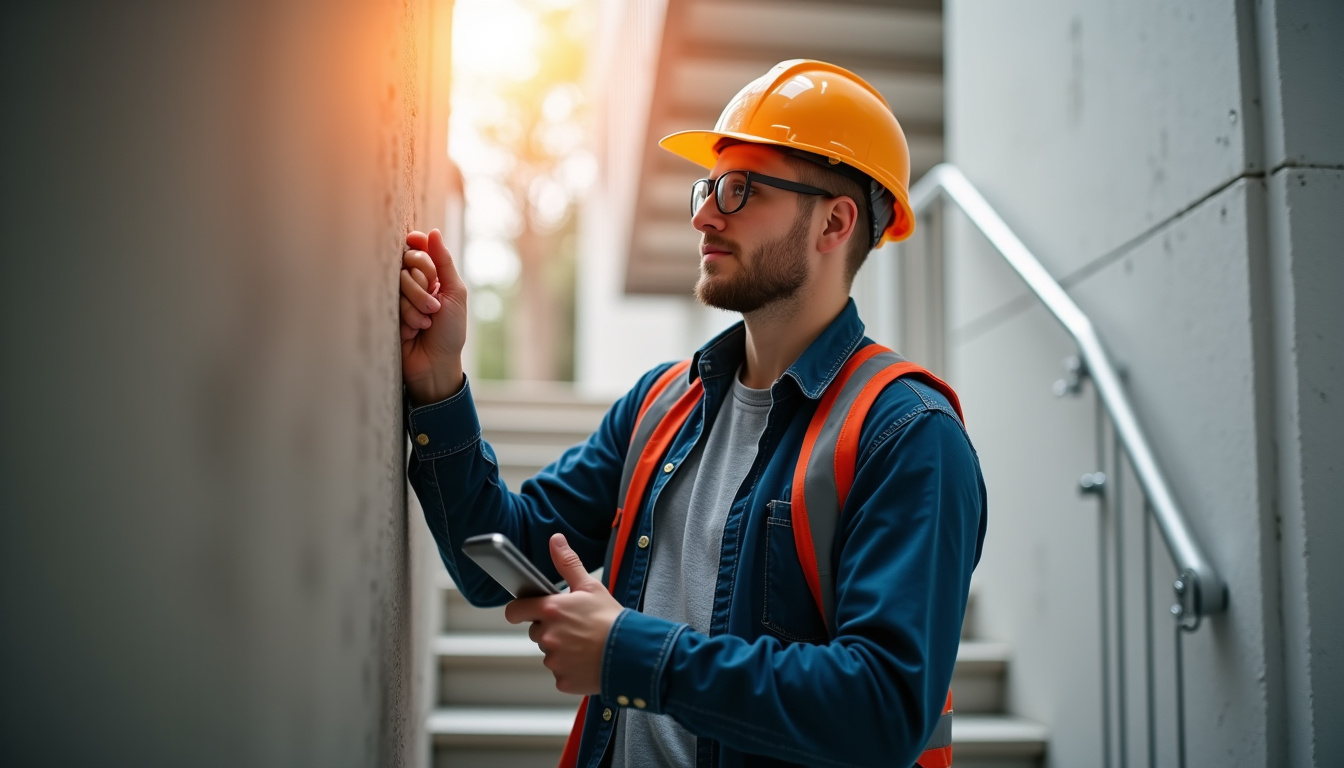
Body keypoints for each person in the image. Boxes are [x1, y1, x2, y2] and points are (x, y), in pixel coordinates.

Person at [400, 59, 987, 768]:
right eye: (708, 187)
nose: (706, 214)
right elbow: (496, 562)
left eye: (742, 190)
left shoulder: (907, 435)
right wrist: (440, 385)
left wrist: (630, 654)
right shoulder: (661, 403)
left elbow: (883, 708)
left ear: (834, 222)